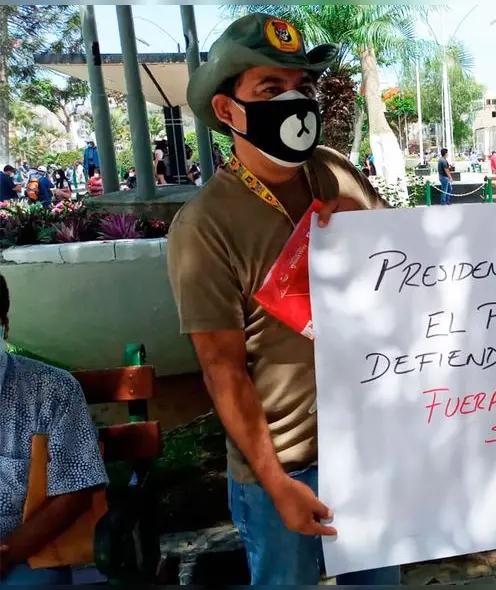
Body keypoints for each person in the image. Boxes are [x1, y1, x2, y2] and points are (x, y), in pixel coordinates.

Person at [166, 13, 395, 586]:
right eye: (271, 89)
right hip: (285, 469)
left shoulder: (336, 172)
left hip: (367, 451)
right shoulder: (204, 226)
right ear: (227, 111)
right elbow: (224, 370)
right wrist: (276, 483)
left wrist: (372, 233)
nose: (295, 101)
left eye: (303, 87)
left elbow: (411, 273)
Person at [0, 274, 109, 585]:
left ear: (4, 325)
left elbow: (75, 489)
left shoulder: (54, 390)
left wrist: (8, 554)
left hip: (28, 556)